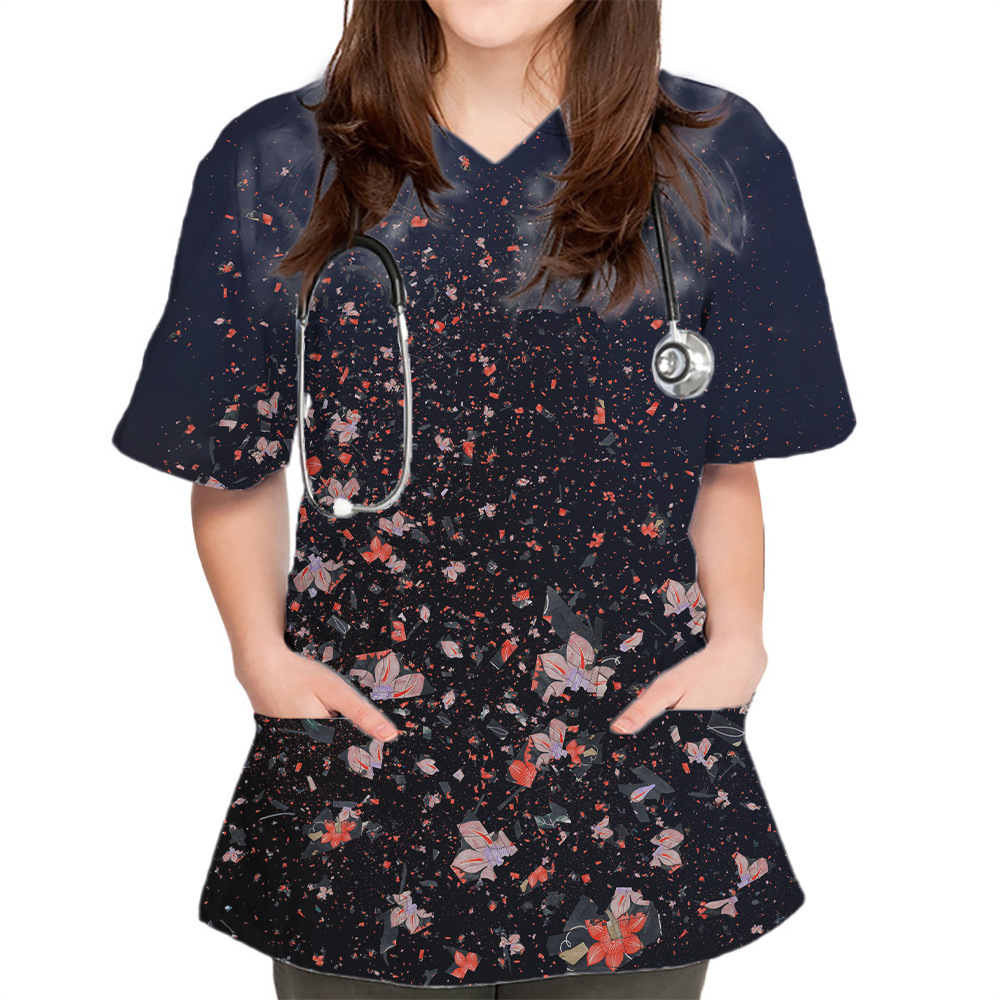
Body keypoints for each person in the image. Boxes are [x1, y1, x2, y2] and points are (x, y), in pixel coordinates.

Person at [110, 1, 856, 997]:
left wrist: (741, 645)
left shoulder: (712, 155)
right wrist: (260, 658)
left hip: (628, 766)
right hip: (365, 759)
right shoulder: (280, 159)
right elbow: (231, 455)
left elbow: (721, 457)